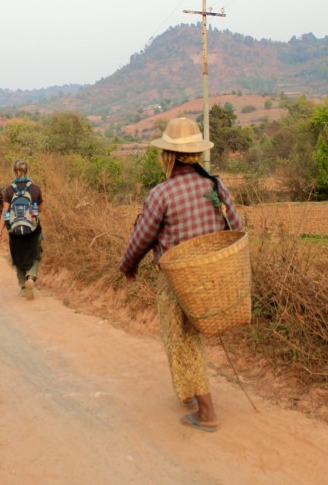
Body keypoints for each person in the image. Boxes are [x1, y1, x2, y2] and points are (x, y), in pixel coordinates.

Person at [118, 117, 242, 433]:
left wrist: (128, 266)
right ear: (196, 154)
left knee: (182, 341)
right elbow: (236, 227)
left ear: (169, 156)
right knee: (187, 339)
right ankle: (188, 393)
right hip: (212, 276)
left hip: (177, 280)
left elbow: (142, 238)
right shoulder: (215, 184)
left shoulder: (161, 194)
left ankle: (206, 411)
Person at [0, 159, 44, 300]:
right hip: (33, 229)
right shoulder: (35, 189)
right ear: (27, 171)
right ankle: (31, 276)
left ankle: (23, 286)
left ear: (15, 172)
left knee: (18, 255)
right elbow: (39, 209)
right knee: (35, 253)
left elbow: (5, 212)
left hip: (15, 231)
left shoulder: (9, 190)